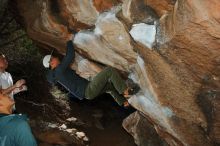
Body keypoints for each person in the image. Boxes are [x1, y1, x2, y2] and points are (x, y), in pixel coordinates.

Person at [43, 34, 139, 107]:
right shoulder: (59, 70)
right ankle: (125, 91)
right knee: (109, 71)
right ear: (51, 63)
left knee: (110, 87)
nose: (56, 57)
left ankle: (123, 103)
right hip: (88, 90)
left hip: (87, 92)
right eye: (53, 57)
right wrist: (69, 40)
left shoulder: (58, 73)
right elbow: (70, 56)